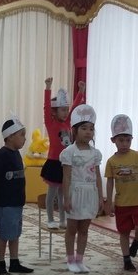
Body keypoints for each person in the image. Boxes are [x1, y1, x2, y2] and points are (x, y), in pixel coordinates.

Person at [0, 114, 34, 275]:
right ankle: (0, 263)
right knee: (4, 234)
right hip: (4, 203)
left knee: (15, 233)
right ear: (10, 136)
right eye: (22, 135)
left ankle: (14, 262)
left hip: (16, 202)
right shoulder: (3, 154)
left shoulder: (16, 153)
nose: (25, 139)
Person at [104, 114, 138, 272]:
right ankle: (126, 259)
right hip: (122, 204)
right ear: (113, 140)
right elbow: (110, 182)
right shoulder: (111, 161)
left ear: (132, 139)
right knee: (124, 232)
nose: (124, 144)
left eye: (128, 140)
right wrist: (109, 202)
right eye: (121, 140)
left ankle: (136, 242)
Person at [60, 104, 103, 274]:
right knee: (72, 229)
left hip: (90, 194)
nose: (88, 132)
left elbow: (98, 177)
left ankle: (80, 259)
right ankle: (70, 260)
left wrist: (100, 197)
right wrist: (66, 198)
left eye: (91, 129)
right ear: (75, 130)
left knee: (84, 230)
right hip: (75, 193)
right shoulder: (69, 152)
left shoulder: (95, 153)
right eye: (84, 128)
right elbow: (66, 177)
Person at [41, 78, 85, 229]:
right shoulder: (51, 123)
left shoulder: (68, 123)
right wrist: (48, 88)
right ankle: (50, 219)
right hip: (54, 162)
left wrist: (81, 91)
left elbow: (75, 108)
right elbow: (46, 107)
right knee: (52, 193)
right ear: (55, 111)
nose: (66, 112)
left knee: (63, 193)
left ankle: (62, 220)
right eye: (63, 110)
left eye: (67, 109)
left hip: (66, 162)